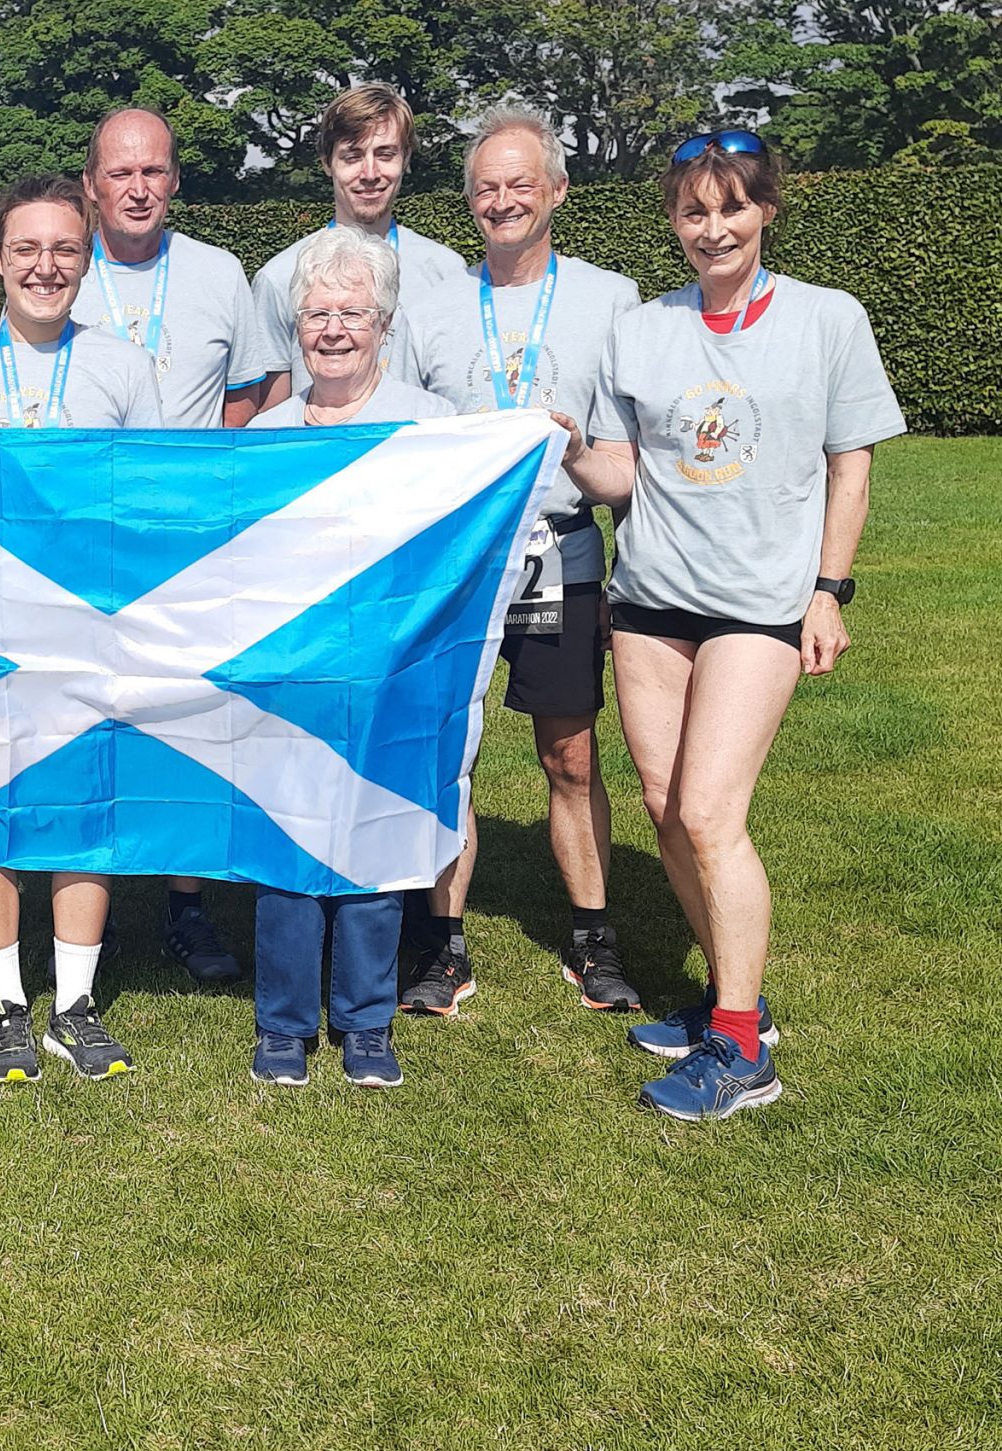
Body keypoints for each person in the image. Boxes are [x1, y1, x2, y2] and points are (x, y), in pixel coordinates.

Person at [557, 130, 905, 1122]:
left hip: (759, 605)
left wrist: (828, 589)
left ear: (765, 211)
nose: (713, 229)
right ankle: (725, 999)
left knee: (711, 814)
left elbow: (851, 465)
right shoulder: (642, 328)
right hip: (651, 599)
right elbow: (625, 476)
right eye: (693, 211)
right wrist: (571, 452)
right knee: (668, 807)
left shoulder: (828, 319)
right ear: (672, 221)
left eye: (731, 208)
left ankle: (743, 1052)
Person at [0, 175, 162, 1084]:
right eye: (27, 250)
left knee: (87, 807)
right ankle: (7, 1004)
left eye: (64, 251)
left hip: (91, 630)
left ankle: (75, 1005)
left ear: (86, 260)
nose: (45, 268)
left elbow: (155, 504)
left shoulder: (123, 366)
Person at [394, 101, 643, 1018]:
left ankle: (592, 936)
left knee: (570, 756)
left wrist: (576, 452)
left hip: (560, 555)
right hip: (460, 566)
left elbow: (625, 470)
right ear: (470, 203)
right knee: (443, 755)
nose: (503, 201)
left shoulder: (610, 301)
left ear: (558, 193)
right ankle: (440, 946)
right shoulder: (430, 310)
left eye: (520, 185)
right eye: (486, 188)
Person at [246, 227, 458, 1089]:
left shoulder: (434, 426)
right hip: (290, 667)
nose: (333, 329)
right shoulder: (262, 433)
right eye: (317, 313)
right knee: (285, 835)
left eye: (352, 313)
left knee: (377, 830)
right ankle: (285, 1021)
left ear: (386, 322)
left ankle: (366, 1020)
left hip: (390, 665)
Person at [71, 105, 270, 986]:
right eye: (120, 173)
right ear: (91, 185)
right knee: (91, 718)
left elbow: (253, 388)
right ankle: (89, 901)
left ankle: (187, 907)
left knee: (197, 719)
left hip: (193, 542)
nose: (138, 188)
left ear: (176, 180)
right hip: (86, 543)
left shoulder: (222, 273)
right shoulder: (61, 269)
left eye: (154, 171)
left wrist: (203, 483)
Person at [249, 84, 469, 412]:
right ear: (327, 162)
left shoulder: (447, 272)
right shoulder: (279, 277)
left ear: (405, 159)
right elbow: (274, 421)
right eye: (352, 156)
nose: (370, 173)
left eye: (385, 154)